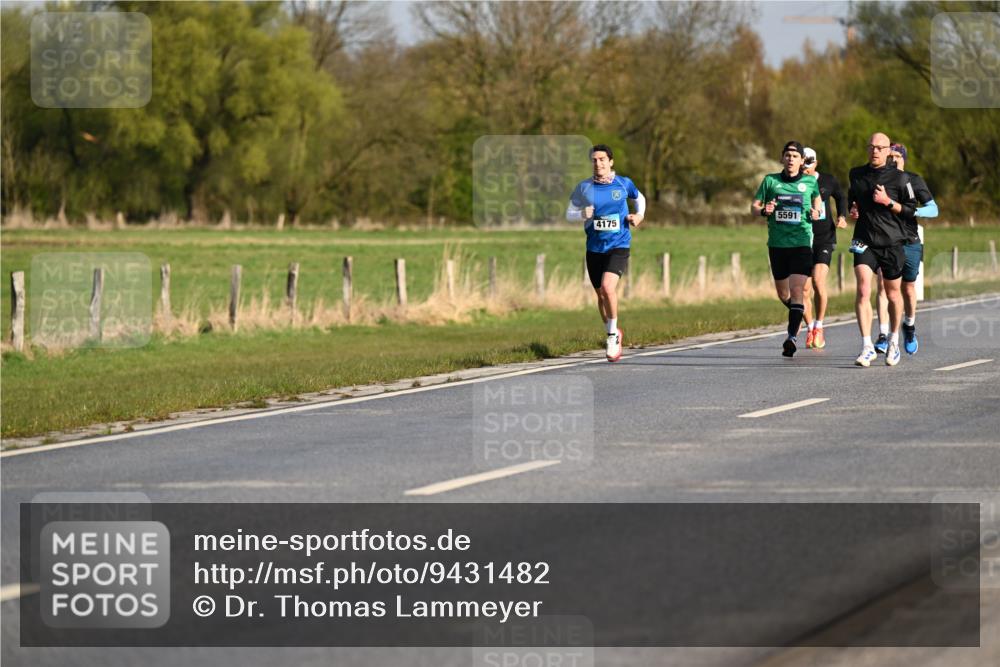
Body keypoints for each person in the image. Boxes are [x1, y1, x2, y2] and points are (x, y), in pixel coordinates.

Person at [566, 144, 645, 362]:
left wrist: (639, 216)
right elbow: (569, 213)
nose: (598, 163)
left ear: (610, 162)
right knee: (600, 294)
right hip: (594, 248)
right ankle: (612, 329)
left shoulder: (623, 183)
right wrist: (581, 213)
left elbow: (640, 198)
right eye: (594, 160)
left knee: (609, 288)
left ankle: (612, 336)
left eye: (602, 159)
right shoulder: (584, 187)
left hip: (619, 245)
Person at [847, 132, 917, 367]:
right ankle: (867, 346)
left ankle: (894, 340)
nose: (875, 151)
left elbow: (909, 210)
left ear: (889, 151)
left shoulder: (901, 178)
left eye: (880, 147)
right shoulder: (856, 174)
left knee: (893, 294)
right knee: (864, 289)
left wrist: (888, 201)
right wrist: (852, 209)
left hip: (892, 242)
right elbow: (851, 198)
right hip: (864, 240)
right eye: (871, 147)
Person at [751, 140, 822, 357]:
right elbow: (754, 206)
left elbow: (817, 201)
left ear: (802, 161)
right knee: (784, 294)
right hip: (777, 245)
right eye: (787, 155)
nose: (791, 159)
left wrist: (816, 212)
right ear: (782, 158)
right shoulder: (770, 181)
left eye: (795, 156)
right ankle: (798, 313)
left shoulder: (810, 182)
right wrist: (765, 210)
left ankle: (791, 337)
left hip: (801, 243)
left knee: (798, 290)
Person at [872, 143, 937, 355]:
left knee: (909, 289)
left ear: (903, 159)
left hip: (909, 240)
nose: (891, 160)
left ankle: (909, 326)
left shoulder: (913, 179)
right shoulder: (877, 178)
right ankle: (883, 335)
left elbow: (933, 210)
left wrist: (911, 211)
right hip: (886, 241)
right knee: (883, 285)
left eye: (896, 156)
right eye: (888, 155)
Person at [801, 147, 848, 349]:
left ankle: (820, 326)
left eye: (810, 162)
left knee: (819, 282)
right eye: (803, 162)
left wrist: (842, 216)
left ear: (816, 163)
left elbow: (841, 196)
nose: (806, 166)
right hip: (802, 239)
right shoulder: (795, 183)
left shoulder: (828, 180)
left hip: (824, 238)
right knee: (803, 290)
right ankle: (810, 328)